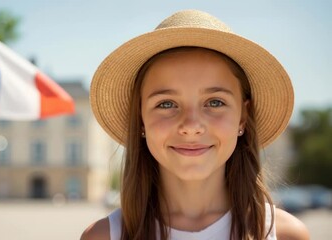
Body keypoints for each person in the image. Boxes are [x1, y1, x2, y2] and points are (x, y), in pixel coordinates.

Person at [81, 10, 309, 240]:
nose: (191, 125)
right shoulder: (104, 236)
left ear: (243, 117)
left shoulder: (286, 234)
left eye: (215, 102)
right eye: (167, 103)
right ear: (140, 119)